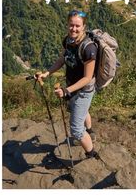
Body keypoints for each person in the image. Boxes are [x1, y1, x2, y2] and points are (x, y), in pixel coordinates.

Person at [35, 9, 98, 159]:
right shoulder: (68, 41)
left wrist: (66, 90)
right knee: (80, 111)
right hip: (71, 86)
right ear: (67, 24)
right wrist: (47, 73)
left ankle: (91, 154)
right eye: (71, 25)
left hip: (83, 90)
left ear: (84, 26)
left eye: (77, 26)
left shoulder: (88, 48)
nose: (74, 29)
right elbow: (62, 59)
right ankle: (90, 132)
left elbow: (87, 77)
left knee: (76, 130)